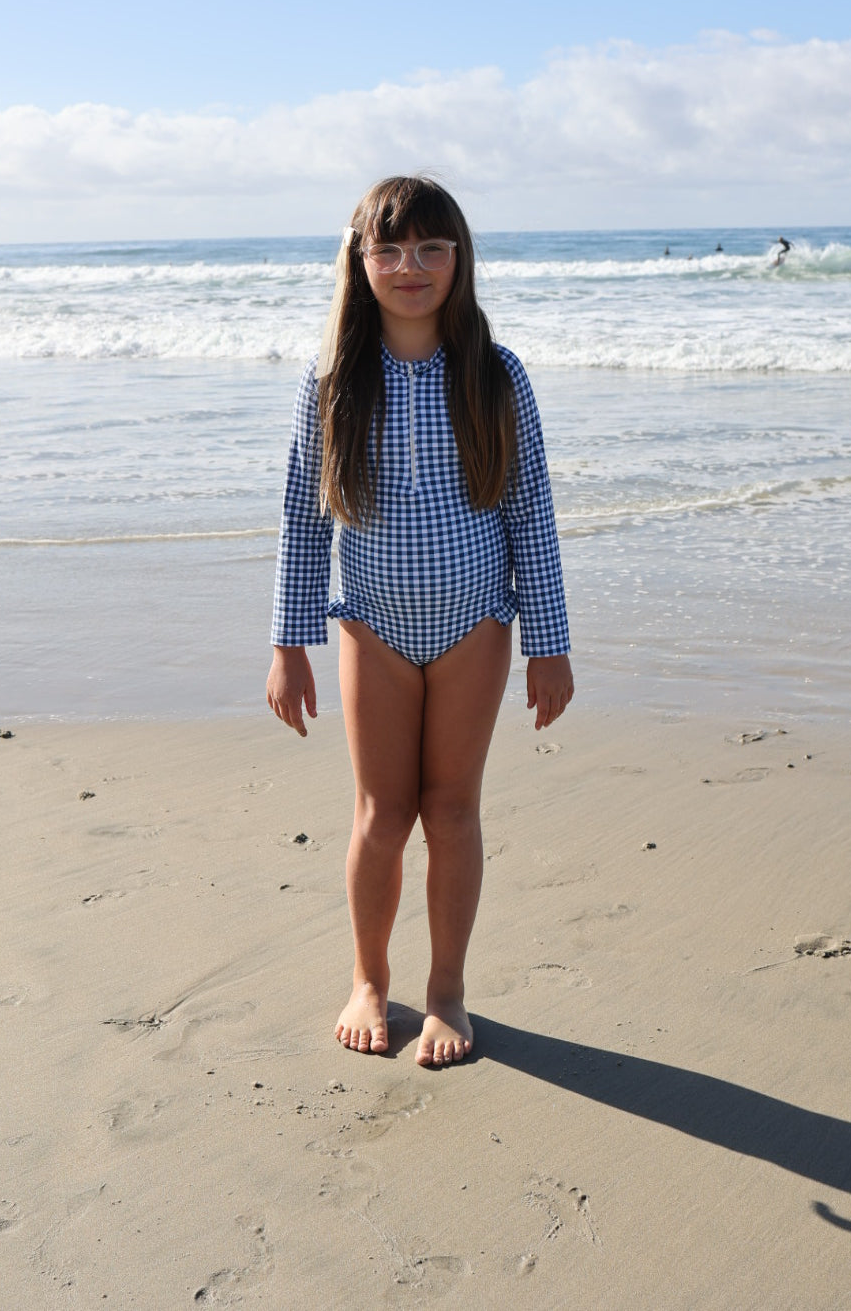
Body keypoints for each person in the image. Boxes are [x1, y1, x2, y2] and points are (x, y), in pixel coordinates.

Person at [266, 177, 573, 1069]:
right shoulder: (334, 379)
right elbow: (303, 516)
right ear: (359, 261)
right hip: (372, 626)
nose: (411, 266)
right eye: (390, 249)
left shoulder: (495, 373)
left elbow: (532, 512)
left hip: (476, 624)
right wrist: (289, 645)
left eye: (432, 248)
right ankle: (368, 980)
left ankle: (446, 993)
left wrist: (550, 644)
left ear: (458, 259)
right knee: (381, 812)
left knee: (452, 809)